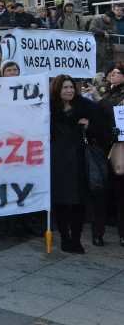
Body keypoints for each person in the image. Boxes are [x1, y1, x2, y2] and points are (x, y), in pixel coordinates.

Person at [49, 74, 106, 254]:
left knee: (79, 202)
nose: (69, 91)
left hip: (80, 162)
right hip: (58, 162)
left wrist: (89, 127)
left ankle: (76, 237)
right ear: (58, 90)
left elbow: (103, 130)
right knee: (61, 202)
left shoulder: (86, 107)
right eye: (65, 88)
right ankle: (65, 237)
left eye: (71, 87)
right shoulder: (49, 108)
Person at [82, 63, 124, 247]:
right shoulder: (105, 92)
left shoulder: (110, 96)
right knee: (101, 193)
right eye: (111, 73)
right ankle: (97, 233)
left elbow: (115, 115)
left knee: (121, 194)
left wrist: (98, 99)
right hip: (102, 147)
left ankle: (122, 234)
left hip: (120, 148)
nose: (112, 76)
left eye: (117, 73)